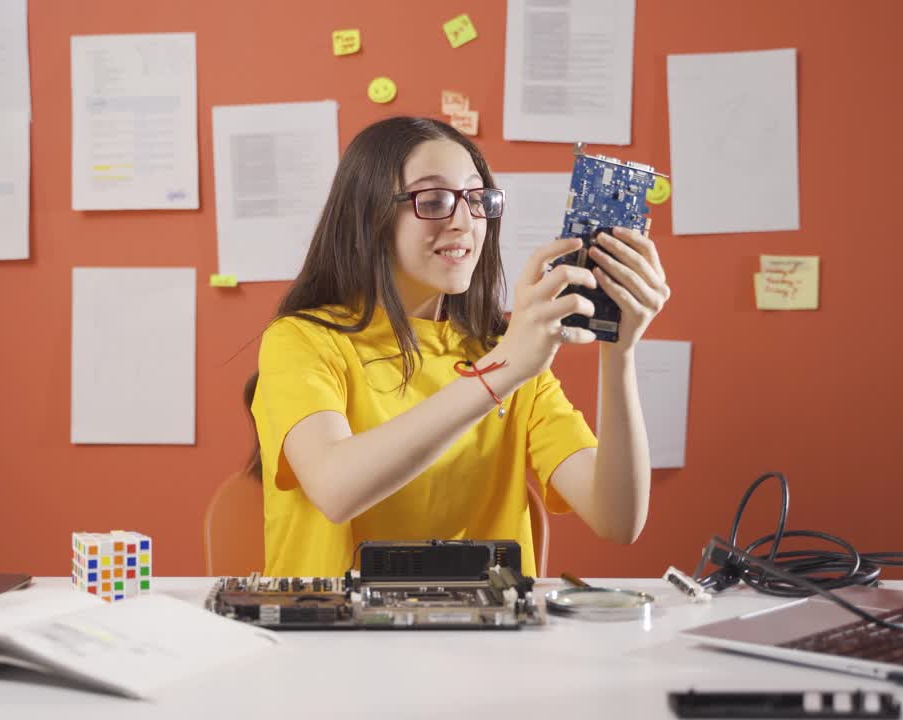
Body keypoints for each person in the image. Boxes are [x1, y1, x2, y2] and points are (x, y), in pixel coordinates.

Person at [245, 116, 670, 578]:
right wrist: (501, 372)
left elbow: (617, 519)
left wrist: (619, 351)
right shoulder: (302, 340)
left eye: (476, 198)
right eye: (433, 200)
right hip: (334, 637)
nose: (465, 222)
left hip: (480, 639)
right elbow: (335, 487)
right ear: (367, 215)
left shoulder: (506, 353)